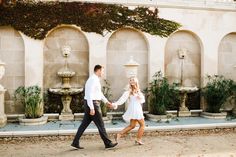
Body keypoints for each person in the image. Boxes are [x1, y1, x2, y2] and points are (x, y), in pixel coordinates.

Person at [71, 65, 118, 149]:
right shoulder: (92, 79)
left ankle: (75, 142)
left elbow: (99, 93)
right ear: (99, 70)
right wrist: (92, 107)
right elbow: (89, 94)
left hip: (92, 103)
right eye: (102, 71)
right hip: (93, 104)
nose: (103, 72)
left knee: (84, 124)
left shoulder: (95, 79)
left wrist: (107, 102)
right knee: (101, 124)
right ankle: (108, 143)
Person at [112, 76, 145, 145]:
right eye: (130, 80)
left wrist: (140, 96)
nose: (132, 81)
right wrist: (115, 104)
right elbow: (122, 99)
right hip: (135, 109)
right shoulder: (129, 91)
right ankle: (138, 139)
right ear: (129, 82)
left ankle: (119, 134)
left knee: (132, 126)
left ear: (136, 81)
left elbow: (142, 101)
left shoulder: (138, 90)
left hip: (136, 108)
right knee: (142, 125)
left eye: (133, 80)